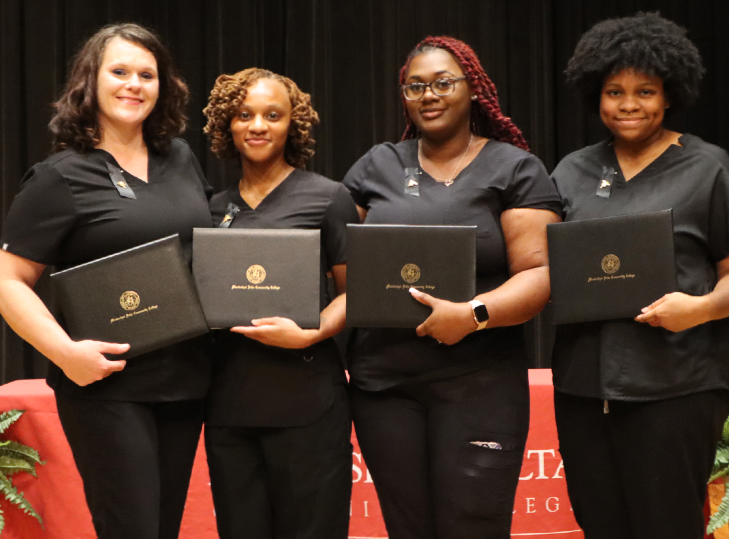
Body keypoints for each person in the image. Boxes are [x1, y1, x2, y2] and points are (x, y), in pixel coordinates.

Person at [341, 36, 562, 539]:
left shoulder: (514, 167)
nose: (429, 95)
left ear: (474, 89)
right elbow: (336, 258)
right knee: (407, 528)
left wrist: (473, 314)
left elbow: (539, 273)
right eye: (415, 86)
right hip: (384, 386)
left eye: (443, 83)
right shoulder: (378, 164)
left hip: (480, 382)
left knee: (472, 526)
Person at [0, 24, 212, 539]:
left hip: (185, 381)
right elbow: (8, 279)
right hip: (107, 386)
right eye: (119, 72)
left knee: (161, 528)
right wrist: (66, 354)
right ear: (90, 81)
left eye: (147, 74)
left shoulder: (179, 157)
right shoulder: (60, 176)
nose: (133, 84)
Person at [551, 12, 729, 539]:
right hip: (583, 389)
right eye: (615, 92)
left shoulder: (709, 168)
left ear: (669, 94)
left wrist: (698, 309)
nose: (629, 104)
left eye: (645, 91)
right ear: (596, 96)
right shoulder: (570, 172)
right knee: (599, 524)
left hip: (677, 386)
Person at [202, 68, 357, 539]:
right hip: (230, 407)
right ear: (227, 125)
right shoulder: (211, 208)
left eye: (273, 115)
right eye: (244, 115)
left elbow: (356, 291)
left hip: (309, 403)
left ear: (293, 125)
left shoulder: (328, 198)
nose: (258, 126)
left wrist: (313, 332)